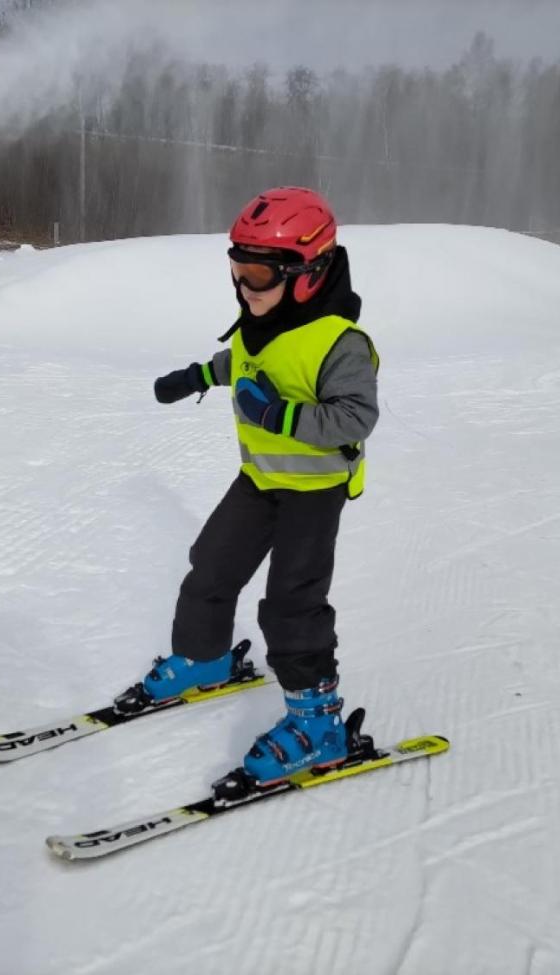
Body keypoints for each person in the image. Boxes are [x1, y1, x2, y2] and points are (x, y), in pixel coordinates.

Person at [136, 186, 379, 786]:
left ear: (308, 271)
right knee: (210, 566)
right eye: (237, 273)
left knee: (292, 603)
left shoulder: (339, 343)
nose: (245, 289)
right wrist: (195, 376)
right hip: (259, 480)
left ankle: (318, 723)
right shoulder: (255, 324)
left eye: (258, 275)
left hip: (313, 491)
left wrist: (279, 417)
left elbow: (355, 417)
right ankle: (205, 658)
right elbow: (240, 364)